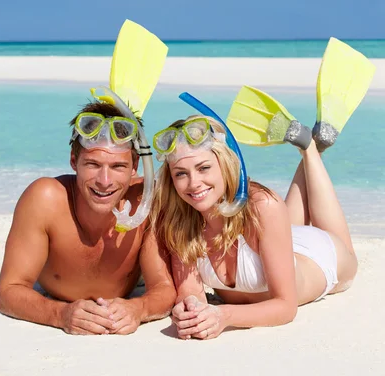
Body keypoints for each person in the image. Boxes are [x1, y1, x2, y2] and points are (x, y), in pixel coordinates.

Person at [151, 114, 358, 340]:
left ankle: (310, 149)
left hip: (321, 257)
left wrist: (224, 315)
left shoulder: (263, 206)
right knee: (282, 223)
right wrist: (189, 308)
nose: (193, 183)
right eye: (181, 173)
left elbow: (286, 308)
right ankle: (310, 147)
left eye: (203, 168)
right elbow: (190, 291)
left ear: (224, 162)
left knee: (331, 240)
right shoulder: (178, 220)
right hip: (272, 240)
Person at [0, 97, 176, 335]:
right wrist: (60, 314)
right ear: (74, 161)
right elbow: (8, 291)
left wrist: (138, 308)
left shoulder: (146, 201)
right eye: (92, 164)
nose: (104, 181)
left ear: (134, 166)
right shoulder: (45, 200)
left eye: (118, 167)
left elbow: (163, 288)